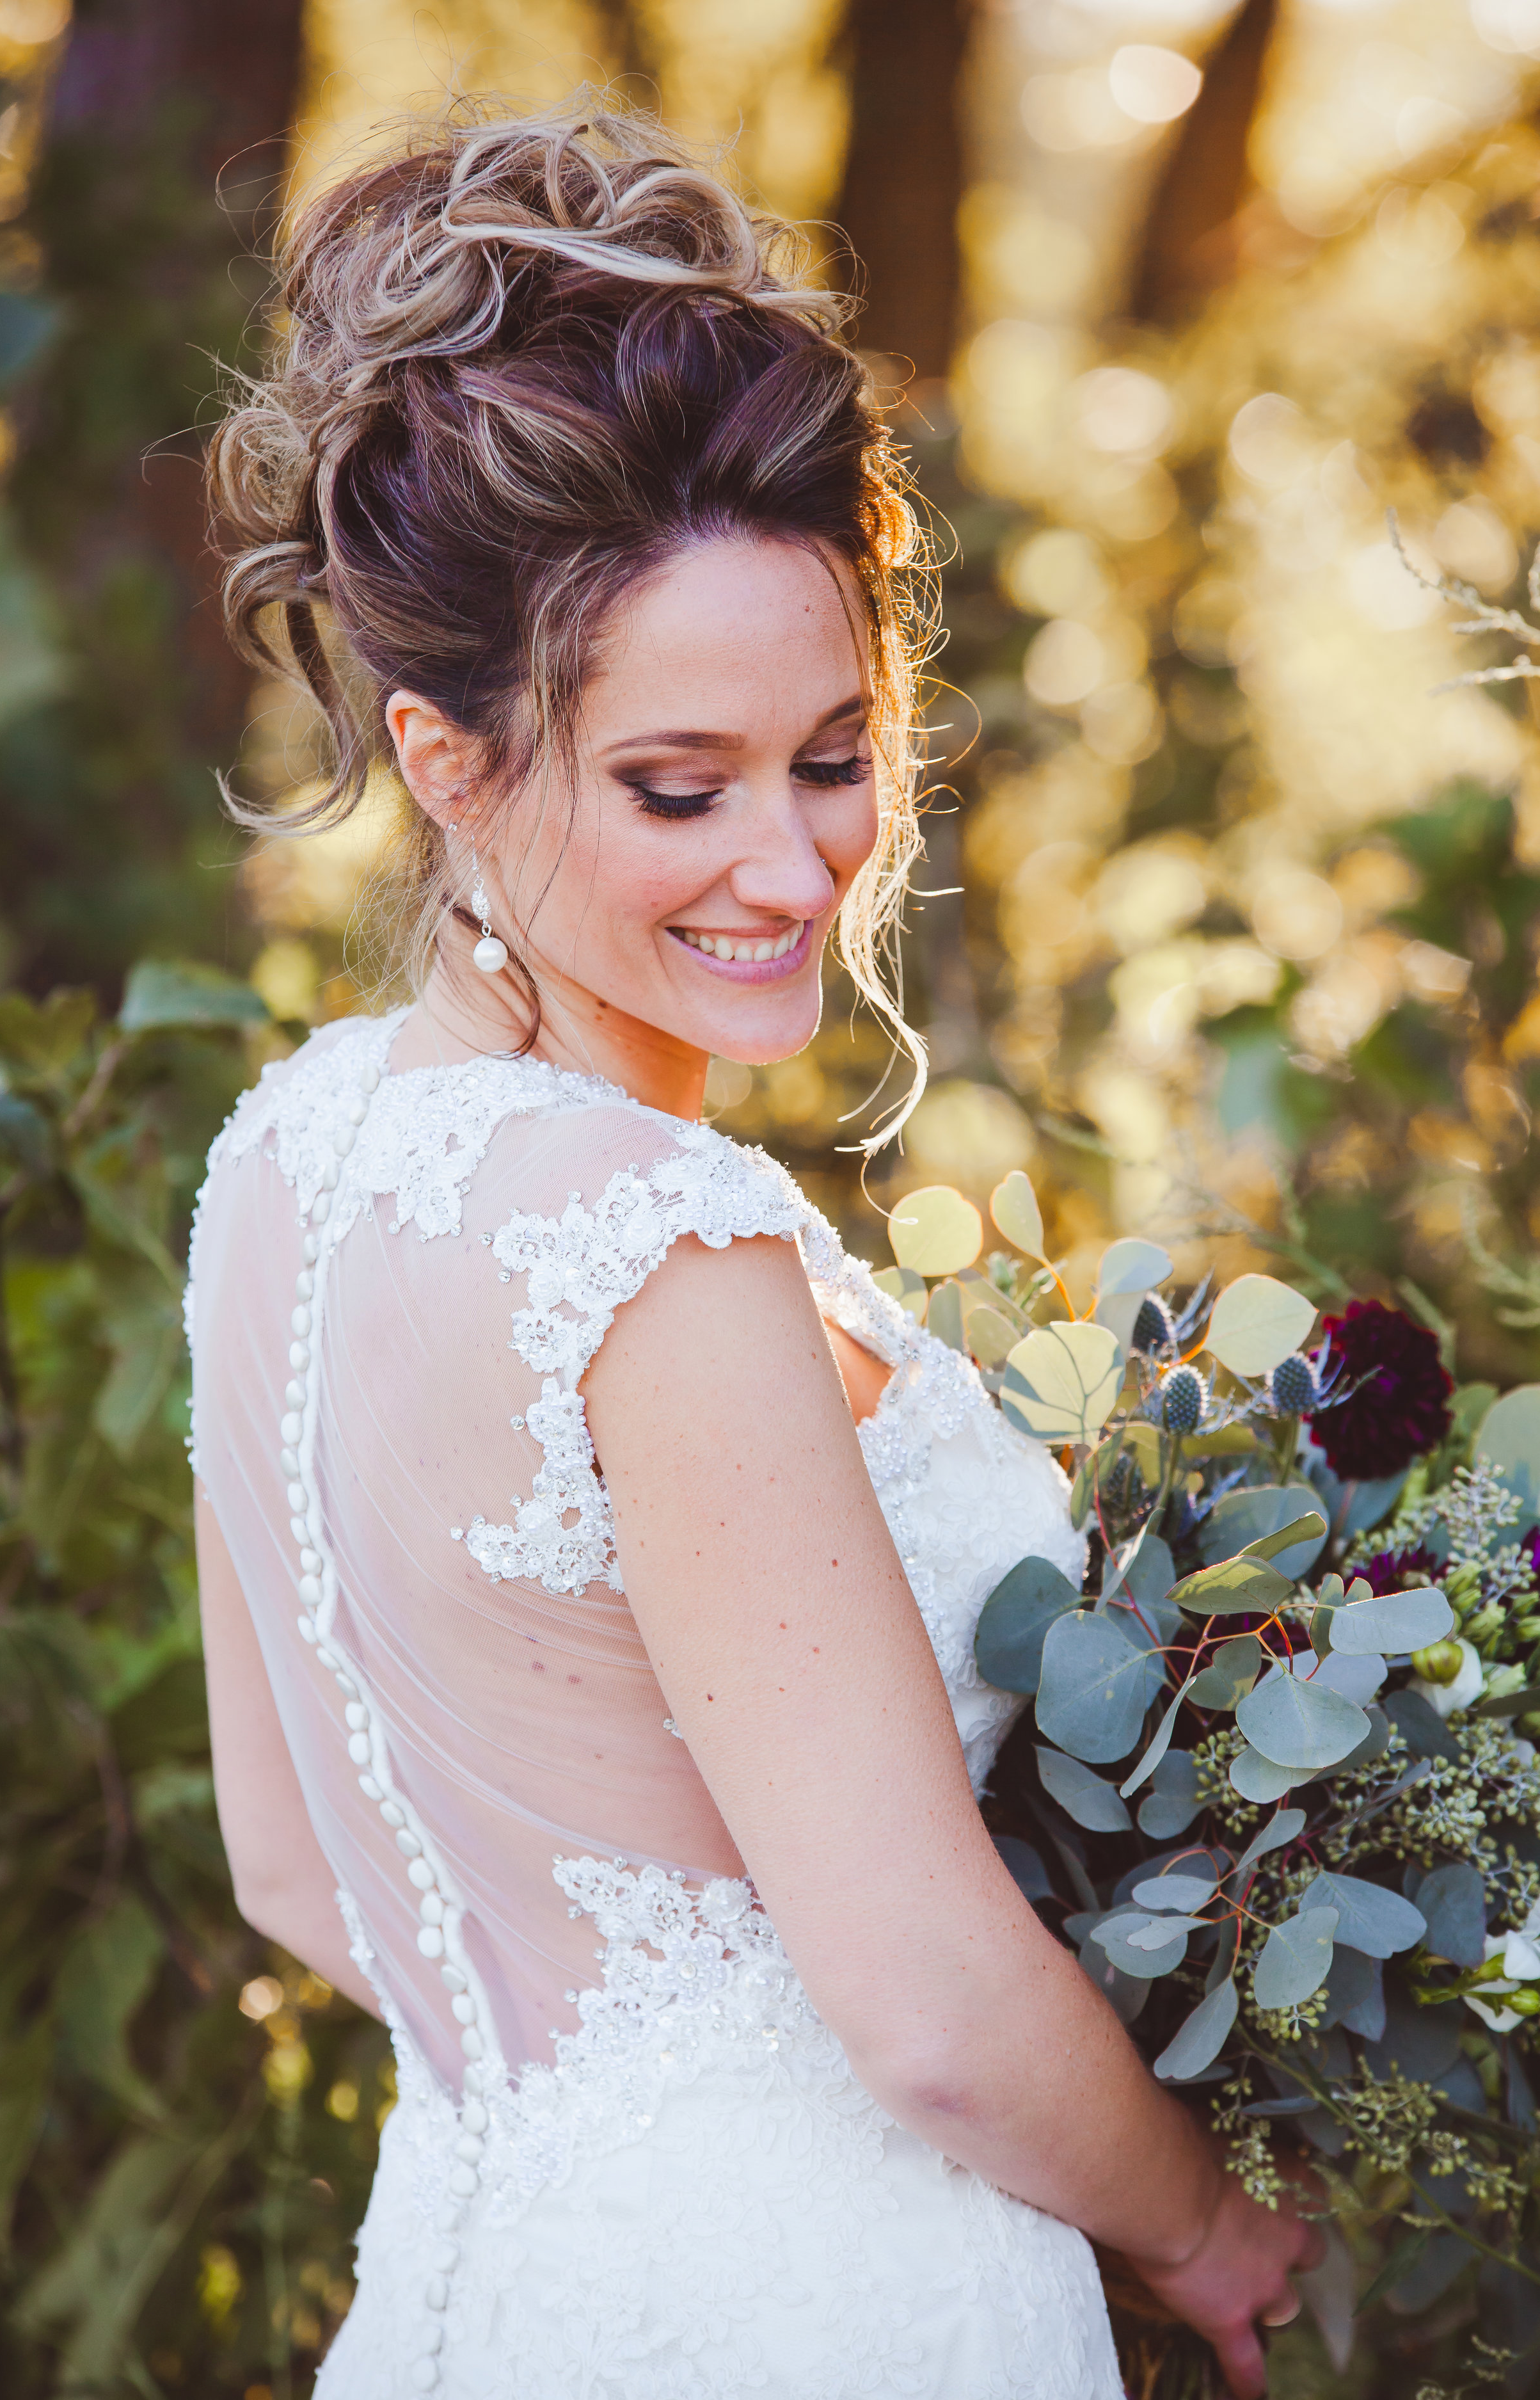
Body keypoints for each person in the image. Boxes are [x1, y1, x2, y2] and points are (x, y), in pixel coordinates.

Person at [189, 98, 1321, 2400]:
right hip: (837, 2309)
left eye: (833, 751)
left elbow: (294, 1878)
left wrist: (608, 2131)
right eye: (679, 787)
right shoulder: (660, 1247)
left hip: (472, 2294)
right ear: (447, 758)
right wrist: (1211, 2237)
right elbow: (918, 2000)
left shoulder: (281, 1163)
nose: (793, 866)